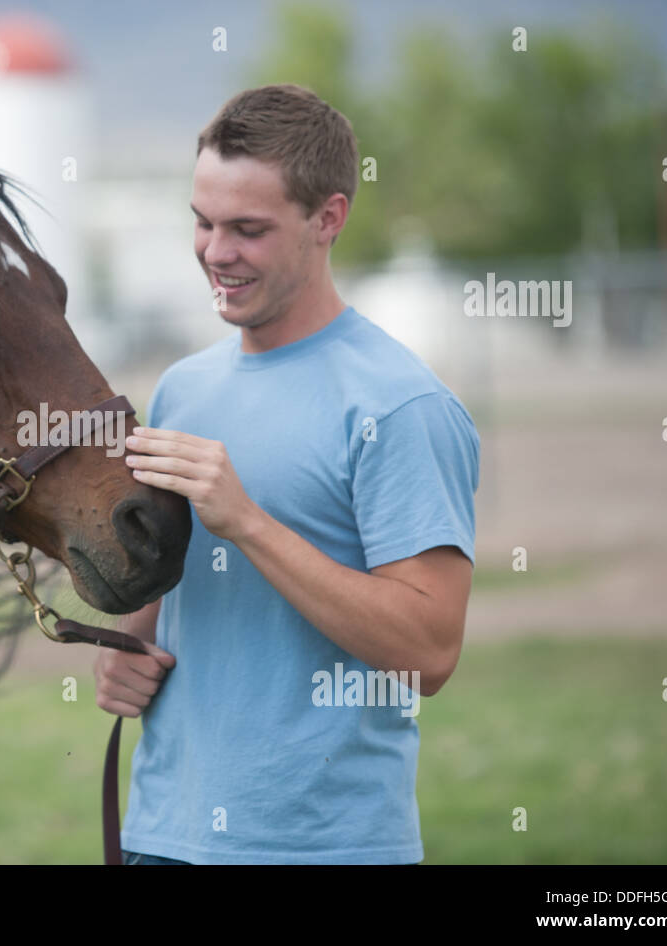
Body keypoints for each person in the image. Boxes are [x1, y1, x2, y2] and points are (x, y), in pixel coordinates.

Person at [94, 84, 480, 865]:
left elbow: (429, 652)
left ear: (327, 219)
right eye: (202, 222)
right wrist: (126, 648)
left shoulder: (399, 405)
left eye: (248, 229)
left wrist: (249, 523)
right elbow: (170, 586)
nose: (214, 251)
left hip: (322, 848)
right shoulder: (182, 389)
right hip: (164, 835)